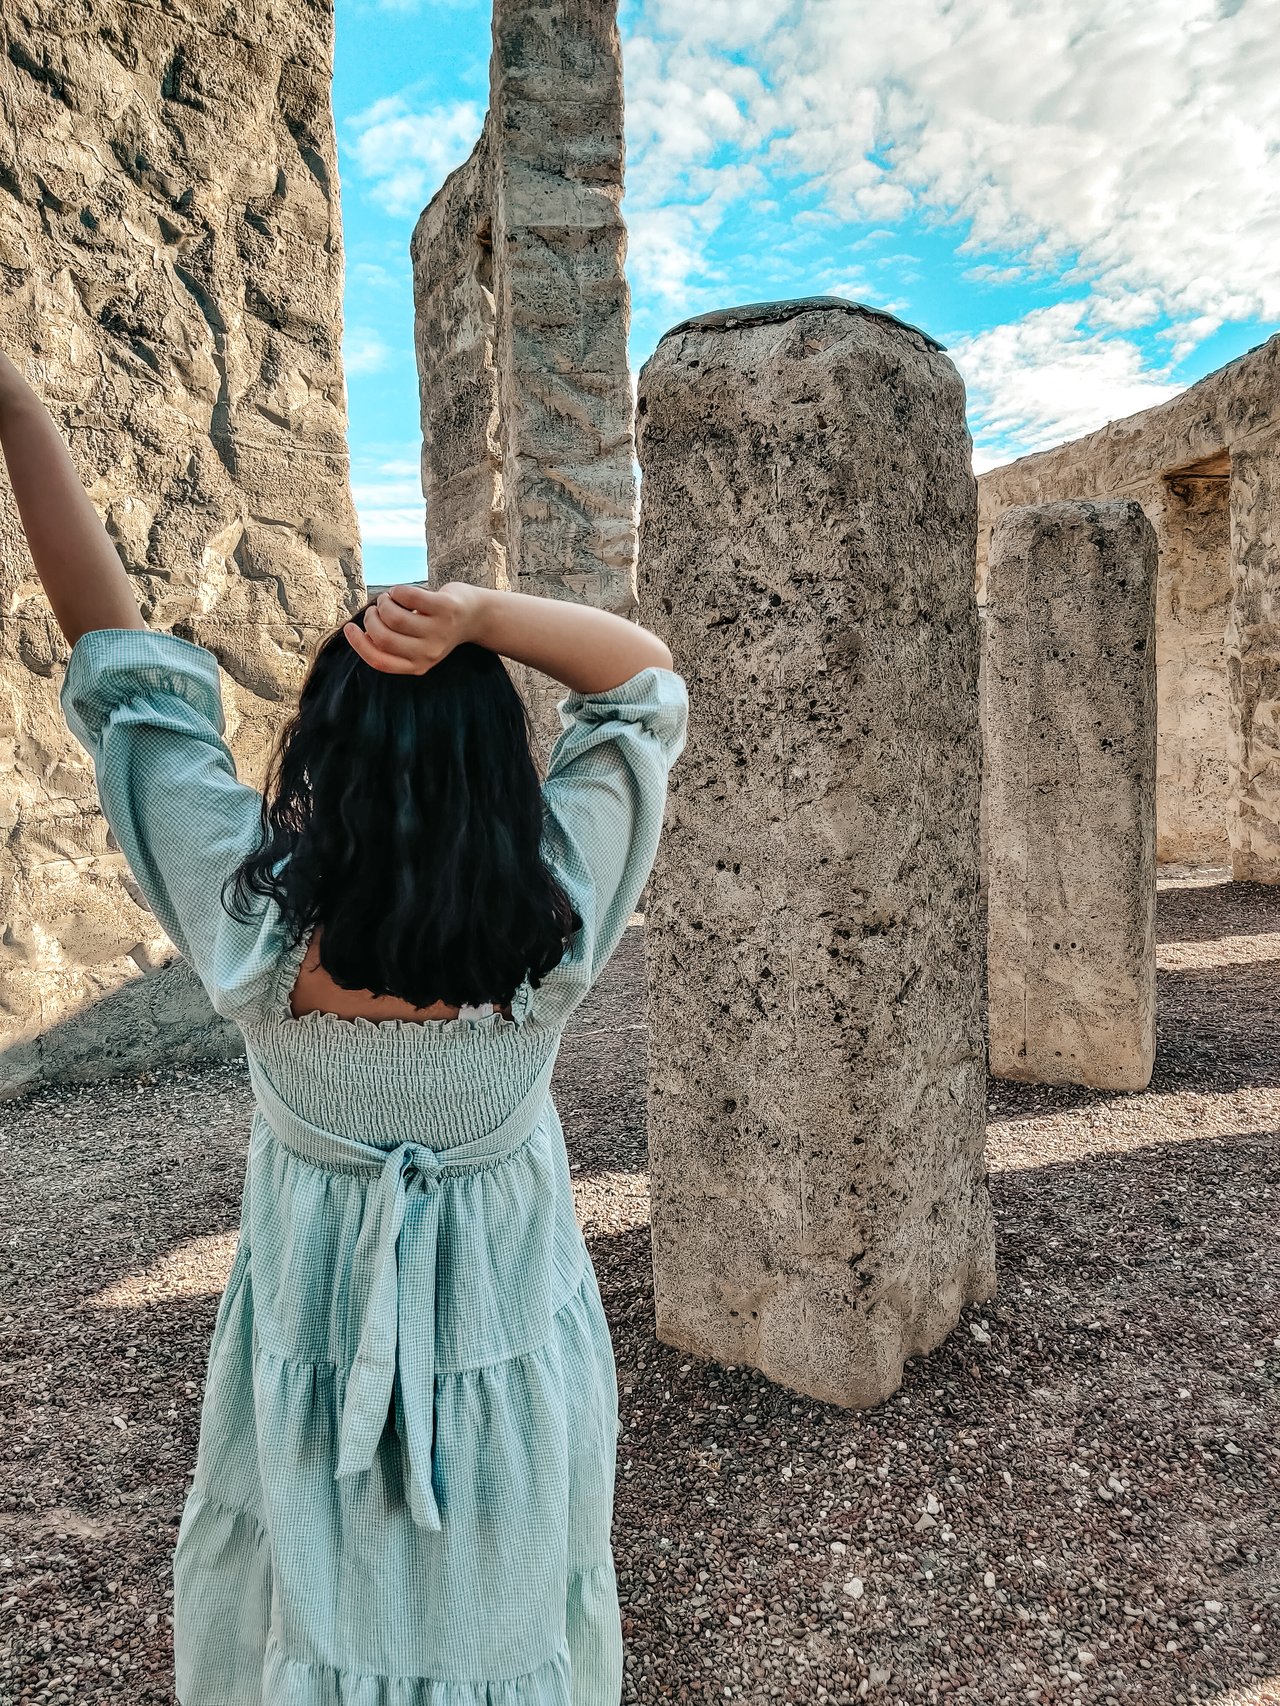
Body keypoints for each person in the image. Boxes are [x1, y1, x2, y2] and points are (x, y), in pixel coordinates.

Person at [0, 348, 687, 1705]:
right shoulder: (553, 918)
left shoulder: (253, 927)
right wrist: (482, 613)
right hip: (512, 1354)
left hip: (309, 1360)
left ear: (320, 754)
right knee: (509, 1623)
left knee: (306, 1618)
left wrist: (19, 407)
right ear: (503, 771)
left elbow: (123, 667)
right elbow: (645, 685)